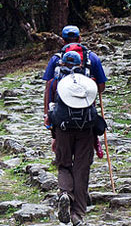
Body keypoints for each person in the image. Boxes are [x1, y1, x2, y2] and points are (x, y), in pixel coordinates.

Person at [42, 25, 107, 226]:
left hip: (61, 126)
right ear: (80, 37)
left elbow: (49, 90)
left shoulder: (55, 62)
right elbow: (101, 87)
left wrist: (48, 119)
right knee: (82, 168)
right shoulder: (92, 59)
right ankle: (77, 214)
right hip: (86, 125)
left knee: (63, 163)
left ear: (62, 40)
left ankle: (65, 194)